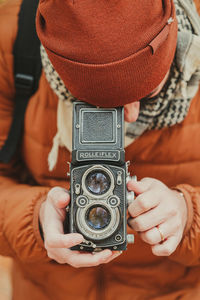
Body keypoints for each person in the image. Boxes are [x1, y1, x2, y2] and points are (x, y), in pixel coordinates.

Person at [0, 0, 200, 299]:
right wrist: (35, 221)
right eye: (100, 103)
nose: (129, 116)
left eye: (146, 91)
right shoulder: (13, 40)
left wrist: (189, 214)